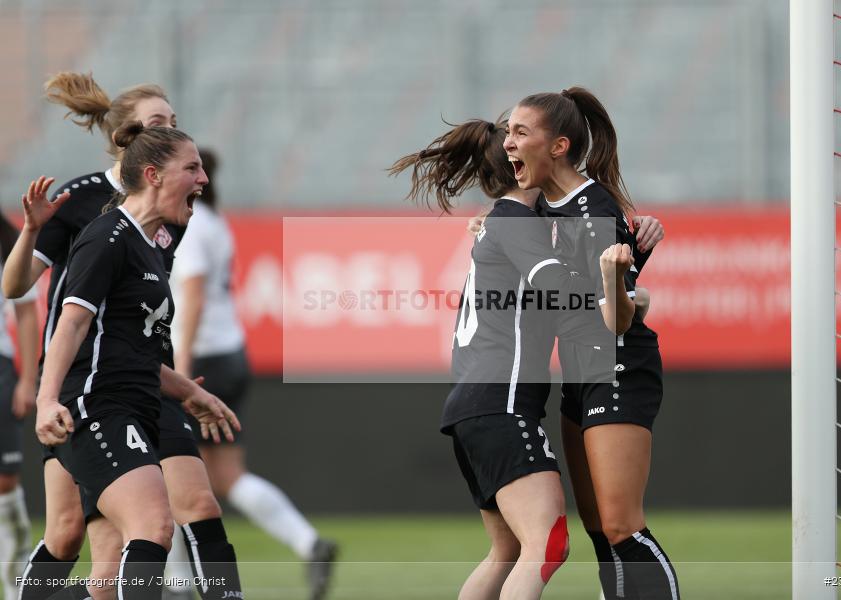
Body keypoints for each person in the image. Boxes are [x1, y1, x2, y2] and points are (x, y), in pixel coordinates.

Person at [4, 72, 242, 600]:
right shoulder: (94, 211)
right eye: (159, 123)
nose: (202, 177)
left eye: (174, 123)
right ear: (130, 140)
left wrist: (186, 388)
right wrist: (45, 394)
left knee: (188, 510)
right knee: (76, 539)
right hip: (85, 385)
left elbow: (133, 324)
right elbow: (41, 300)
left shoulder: (166, 218)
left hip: (138, 383)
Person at [390, 117, 634, 600]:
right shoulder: (515, 223)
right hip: (499, 404)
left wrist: (632, 237)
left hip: (474, 407)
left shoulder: (503, 224)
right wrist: (618, 288)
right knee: (548, 545)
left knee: (506, 552)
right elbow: (558, 289)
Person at [504, 86, 680, 599]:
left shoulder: (593, 206)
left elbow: (619, 319)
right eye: (507, 131)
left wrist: (622, 276)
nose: (507, 143)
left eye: (519, 132)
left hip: (619, 366)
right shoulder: (543, 207)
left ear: (557, 146)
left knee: (622, 525)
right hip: (581, 373)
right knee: (600, 530)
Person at [170, 147, 338, 600]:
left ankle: (179, 584)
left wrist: (181, 366)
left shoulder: (191, 226)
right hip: (230, 351)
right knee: (223, 476)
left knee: (169, 469)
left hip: (200, 359)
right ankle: (308, 541)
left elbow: (193, 293)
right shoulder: (213, 220)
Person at [0, 214, 40, 600]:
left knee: (5, 481)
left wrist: (28, 379)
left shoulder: (7, 239)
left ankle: (16, 590)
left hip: (0, 366)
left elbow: (27, 311)